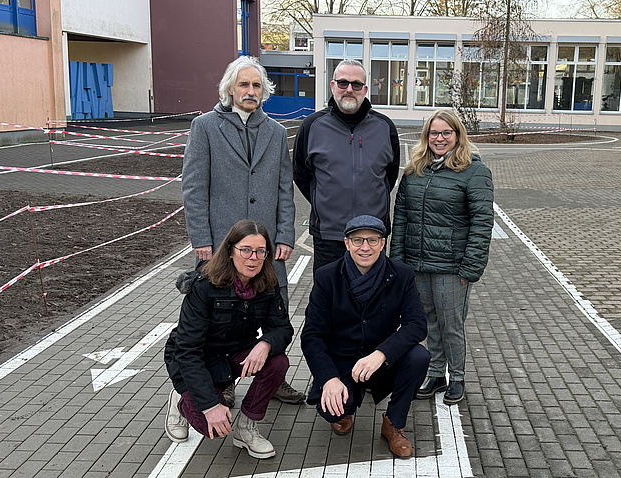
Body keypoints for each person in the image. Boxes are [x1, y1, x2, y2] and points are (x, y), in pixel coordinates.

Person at [182, 55, 303, 405]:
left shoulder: (276, 132)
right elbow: (194, 188)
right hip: (222, 245)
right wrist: (201, 240)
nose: (251, 91)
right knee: (221, 318)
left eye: (256, 85)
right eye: (244, 84)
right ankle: (224, 379)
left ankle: (274, 378)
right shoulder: (205, 127)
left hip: (266, 247)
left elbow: (284, 189)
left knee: (276, 310)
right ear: (230, 89)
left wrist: (285, 235)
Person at [389, 109, 494, 406]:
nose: (439, 138)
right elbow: (402, 218)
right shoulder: (414, 171)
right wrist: (398, 261)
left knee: (451, 325)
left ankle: (457, 377)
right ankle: (436, 374)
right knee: (428, 322)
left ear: (458, 136)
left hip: (452, 266)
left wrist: (470, 267)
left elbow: (482, 223)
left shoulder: (474, 172)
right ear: (426, 136)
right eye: (434, 133)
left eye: (446, 132)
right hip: (418, 263)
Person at [301, 215, 429, 458]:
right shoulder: (327, 276)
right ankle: (346, 405)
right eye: (357, 240)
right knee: (332, 412)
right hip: (342, 361)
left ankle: (393, 423)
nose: (365, 247)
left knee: (419, 356)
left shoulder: (402, 274)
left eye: (372, 240)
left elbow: (417, 324)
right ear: (347, 243)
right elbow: (312, 335)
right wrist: (328, 378)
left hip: (380, 362)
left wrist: (382, 353)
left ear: (383, 243)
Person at [163, 220, 293, 459]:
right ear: (230, 251)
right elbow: (188, 351)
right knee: (210, 427)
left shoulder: (267, 284)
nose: (253, 258)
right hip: (198, 358)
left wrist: (266, 343)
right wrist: (210, 406)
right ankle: (180, 401)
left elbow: (282, 328)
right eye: (246, 250)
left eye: (260, 251)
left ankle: (246, 427)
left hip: (234, 351)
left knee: (278, 362)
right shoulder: (203, 285)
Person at [292, 59, 400, 273]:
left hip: (371, 235)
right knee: (329, 291)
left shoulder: (385, 127)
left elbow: (390, 176)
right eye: (343, 83)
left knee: (372, 291)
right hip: (329, 235)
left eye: (356, 84)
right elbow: (301, 175)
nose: (349, 89)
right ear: (333, 86)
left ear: (365, 90)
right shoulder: (312, 126)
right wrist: (325, 203)